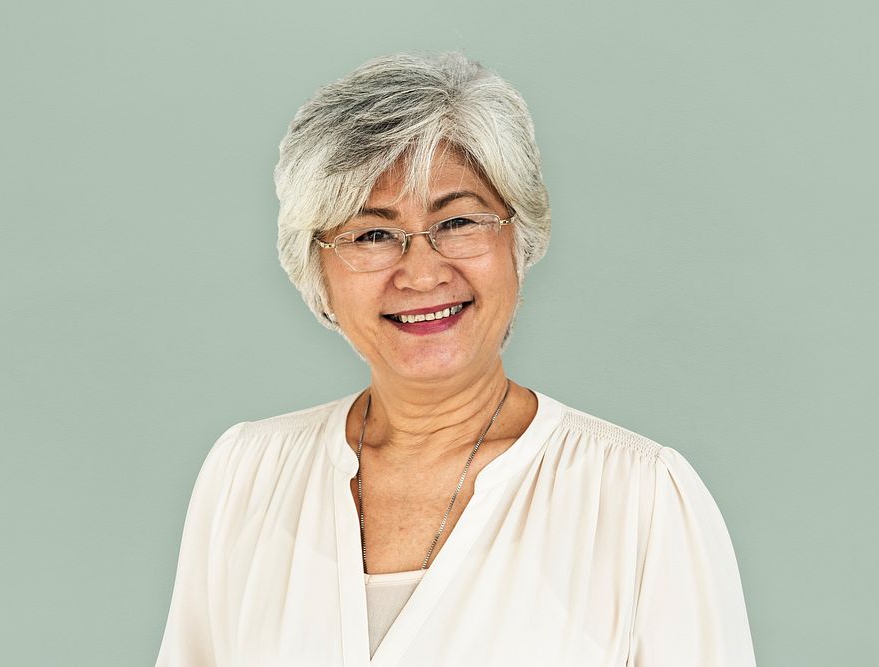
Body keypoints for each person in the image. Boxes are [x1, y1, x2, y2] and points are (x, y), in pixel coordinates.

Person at [155, 52, 757, 666]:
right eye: (372, 234)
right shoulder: (245, 475)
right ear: (316, 270)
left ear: (519, 241)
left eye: (459, 220)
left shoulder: (641, 498)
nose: (421, 273)